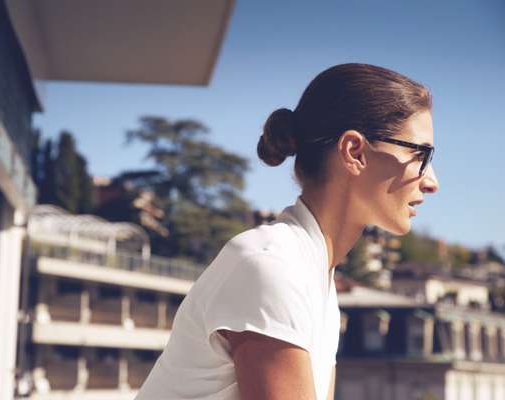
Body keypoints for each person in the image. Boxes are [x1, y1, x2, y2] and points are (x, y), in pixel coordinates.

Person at [134, 63, 439, 400]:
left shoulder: (314, 278)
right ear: (354, 152)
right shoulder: (273, 267)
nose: (431, 181)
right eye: (420, 155)